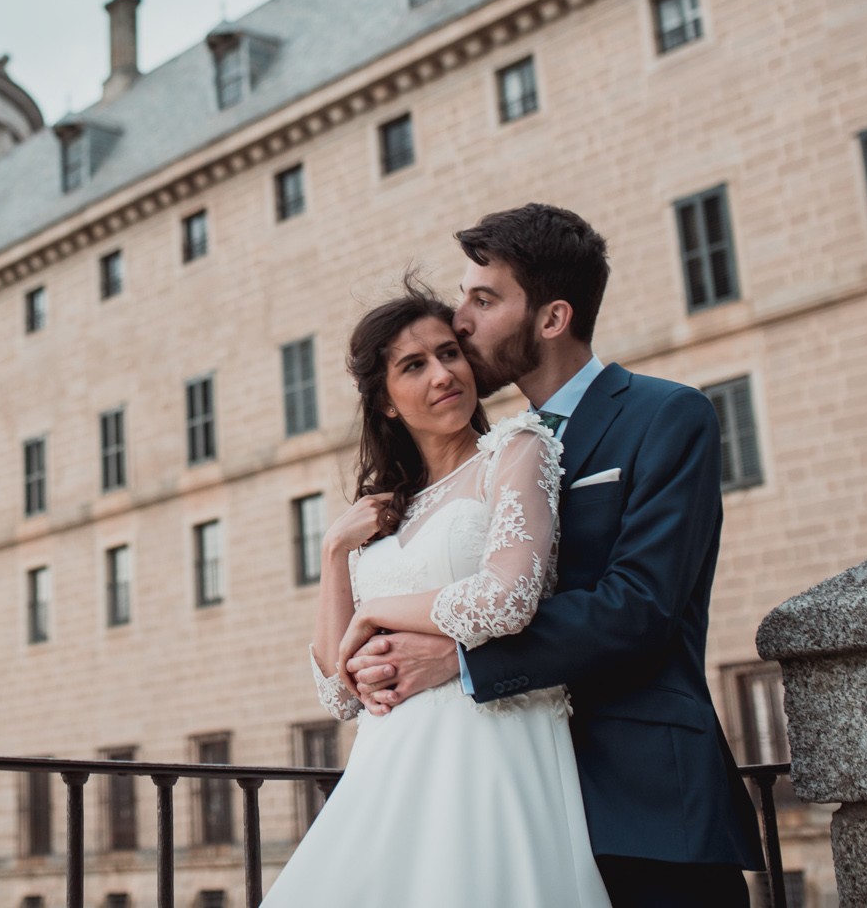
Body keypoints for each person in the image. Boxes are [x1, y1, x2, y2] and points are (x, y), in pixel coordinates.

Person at [344, 203, 765, 908]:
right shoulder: (486, 455)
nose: (462, 320)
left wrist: (459, 657)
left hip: (645, 804)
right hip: (510, 802)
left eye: (484, 298)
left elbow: (641, 607)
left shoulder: (667, 416)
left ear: (551, 318)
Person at [262, 277, 611, 906]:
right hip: (389, 762)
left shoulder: (517, 450)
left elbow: (508, 599)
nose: (442, 373)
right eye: (414, 365)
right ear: (387, 401)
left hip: (492, 744)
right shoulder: (383, 511)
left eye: (449, 353)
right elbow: (337, 691)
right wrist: (334, 552)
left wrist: (376, 612)